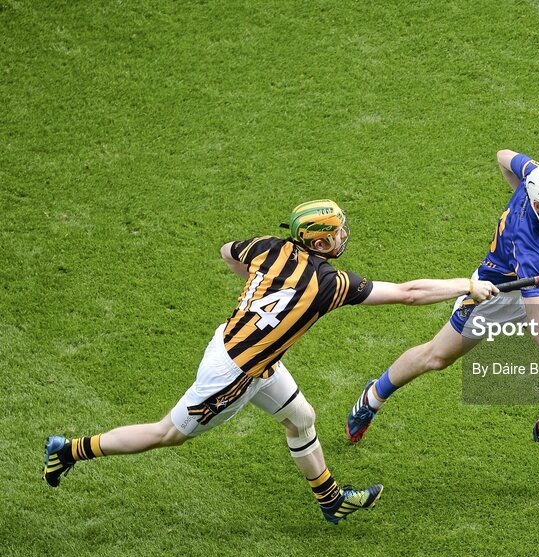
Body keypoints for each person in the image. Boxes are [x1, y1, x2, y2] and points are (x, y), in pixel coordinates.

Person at [43, 200, 498, 523]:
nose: (343, 236)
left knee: (302, 418)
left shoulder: (265, 247)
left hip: (238, 347)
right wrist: (467, 285)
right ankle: (70, 450)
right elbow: (409, 293)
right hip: (236, 373)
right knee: (168, 434)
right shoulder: (329, 284)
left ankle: (331, 501)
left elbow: (227, 250)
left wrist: (255, 286)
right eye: (337, 232)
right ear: (320, 241)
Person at [347, 150, 539, 469]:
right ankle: (373, 397)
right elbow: (537, 325)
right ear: (538, 204)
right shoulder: (530, 244)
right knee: (436, 357)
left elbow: (504, 156)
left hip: (537, 284)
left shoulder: (534, 178)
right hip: (495, 295)